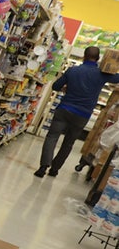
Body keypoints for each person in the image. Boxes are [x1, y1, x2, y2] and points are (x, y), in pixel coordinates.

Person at [36, 46, 119, 177]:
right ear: (98, 59)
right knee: (68, 143)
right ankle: (54, 169)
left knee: (52, 137)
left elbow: (55, 86)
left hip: (64, 109)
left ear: (84, 56)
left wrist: (66, 88)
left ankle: (43, 167)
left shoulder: (73, 70)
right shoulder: (102, 74)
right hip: (83, 115)